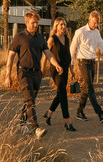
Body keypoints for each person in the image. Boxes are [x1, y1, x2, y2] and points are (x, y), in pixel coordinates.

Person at [4, 10, 63, 138]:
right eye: (33, 23)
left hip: (37, 74)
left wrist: (56, 64)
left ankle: (21, 124)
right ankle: (36, 128)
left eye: (37, 23)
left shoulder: (41, 38)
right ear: (26, 23)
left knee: (30, 101)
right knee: (30, 100)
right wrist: (7, 75)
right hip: (24, 73)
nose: (35, 25)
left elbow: (48, 54)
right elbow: (10, 57)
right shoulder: (19, 37)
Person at [69, 10, 103, 123]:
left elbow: (101, 45)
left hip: (92, 62)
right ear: (89, 20)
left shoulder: (96, 32)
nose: (95, 25)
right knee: (90, 88)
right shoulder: (80, 32)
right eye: (94, 23)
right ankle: (100, 114)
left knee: (86, 88)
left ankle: (79, 111)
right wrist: (70, 64)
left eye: (97, 23)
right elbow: (72, 47)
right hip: (82, 62)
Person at [42, 16, 76, 132]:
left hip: (65, 69)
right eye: (61, 24)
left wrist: (72, 70)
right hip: (56, 70)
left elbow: (69, 56)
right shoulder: (52, 39)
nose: (63, 26)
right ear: (56, 26)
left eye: (64, 24)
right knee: (63, 95)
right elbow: (45, 55)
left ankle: (48, 115)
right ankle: (68, 122)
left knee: (60, 93)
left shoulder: (66, 38)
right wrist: (42, 70)